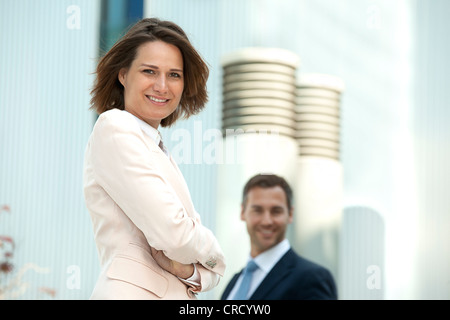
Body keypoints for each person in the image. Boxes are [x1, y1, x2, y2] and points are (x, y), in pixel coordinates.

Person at [83, 17, 225, 300]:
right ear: (123, 75)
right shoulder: (115, 127)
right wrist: (215, 253)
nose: (162, 86)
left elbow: (207, 274)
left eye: (174, 75)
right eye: (150, 71)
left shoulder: (157, 148)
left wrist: (186, 270)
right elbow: (174, 235)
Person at [221, 174, 337, 300]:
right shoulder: (235, 282)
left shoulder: (311, 278)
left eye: (276, 211)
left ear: (290, 214)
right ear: (243, 212)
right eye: (258, 210)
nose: (267, 221)